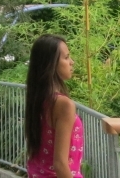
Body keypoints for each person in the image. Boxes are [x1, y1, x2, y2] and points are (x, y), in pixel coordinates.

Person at [25, 35, 84, 178]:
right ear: (51, 63)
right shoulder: (64, 105)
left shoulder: (38, 99)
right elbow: (60, 164)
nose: (72, 62)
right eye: (66, 57)